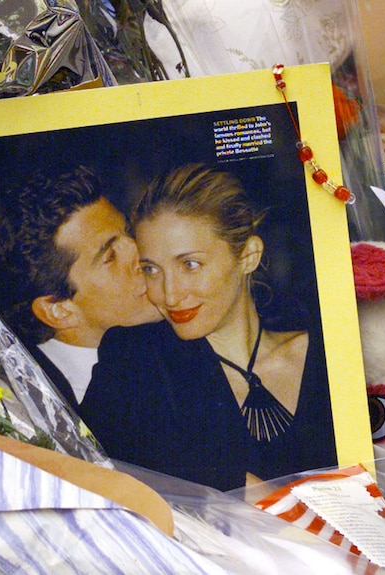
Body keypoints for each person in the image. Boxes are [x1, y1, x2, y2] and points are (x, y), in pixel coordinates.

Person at [79, 163, 337, 491]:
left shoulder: (328, 356)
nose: (169, 294)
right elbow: (81, 470)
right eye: (151, 269)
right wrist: (224, 484)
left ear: (248, 256)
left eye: (190, 264)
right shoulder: (136, 363)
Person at [0, 165, 160, 412]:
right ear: (59, 310)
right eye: (110, 256)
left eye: (129, 232)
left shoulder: (178, 336)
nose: (140, 253)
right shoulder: (17, 404)